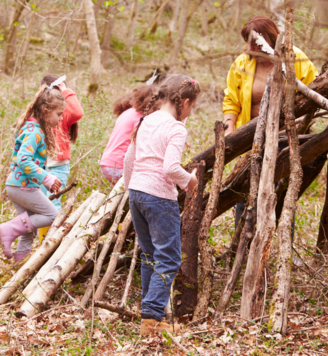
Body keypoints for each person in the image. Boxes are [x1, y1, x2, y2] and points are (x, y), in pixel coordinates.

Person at [223, 15, 318, 231]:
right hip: (249, 139)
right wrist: (230, 126)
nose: (251, 47)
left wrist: (299, 125)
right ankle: (242, 243)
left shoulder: (297, 59)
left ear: (270, 38)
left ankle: (281, 248)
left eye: (255, 42)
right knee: (245, 190)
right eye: (248, 42)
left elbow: (314, 94)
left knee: (279, 193)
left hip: (285, 139)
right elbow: (231, 99)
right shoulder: (242, 63)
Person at [123, 74, 201, 335]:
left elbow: (128, 159)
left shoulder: (147, 120)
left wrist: (131, 189)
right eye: (192, 107)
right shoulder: (176, 128)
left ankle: (153, 317)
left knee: (149, 257)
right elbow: (170, 167)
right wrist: (188, 181)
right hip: (159, 197)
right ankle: (152, 318)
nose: (190, 112)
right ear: (185, 102)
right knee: (168, 258)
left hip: (137, 193)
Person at [0, 83, 64, 262]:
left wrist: (46, 178)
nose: (61, 118)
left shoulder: (32, 128)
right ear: (46, 111)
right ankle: (9, 229)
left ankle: (19, 267)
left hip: (16, 186)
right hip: (23, 187)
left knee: (28, 229)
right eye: (59, 114)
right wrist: (47, 178)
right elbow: (23, 160)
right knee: (52, 215)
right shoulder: (35, 132)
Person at [38, 74, 84, 210]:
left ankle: (53, 230)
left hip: (58, 167)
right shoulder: (41, 113)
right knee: (40, 201)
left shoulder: (62, 115)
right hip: (41, 167)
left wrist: (65, 91)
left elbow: (77, 112)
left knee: (52, 202)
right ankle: (42, 231)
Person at [99, 84, 158, 184]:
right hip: (119, 166)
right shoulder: (140, 118)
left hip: (107, 163)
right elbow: (143, 146)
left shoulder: (128, 112)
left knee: (122, 195)